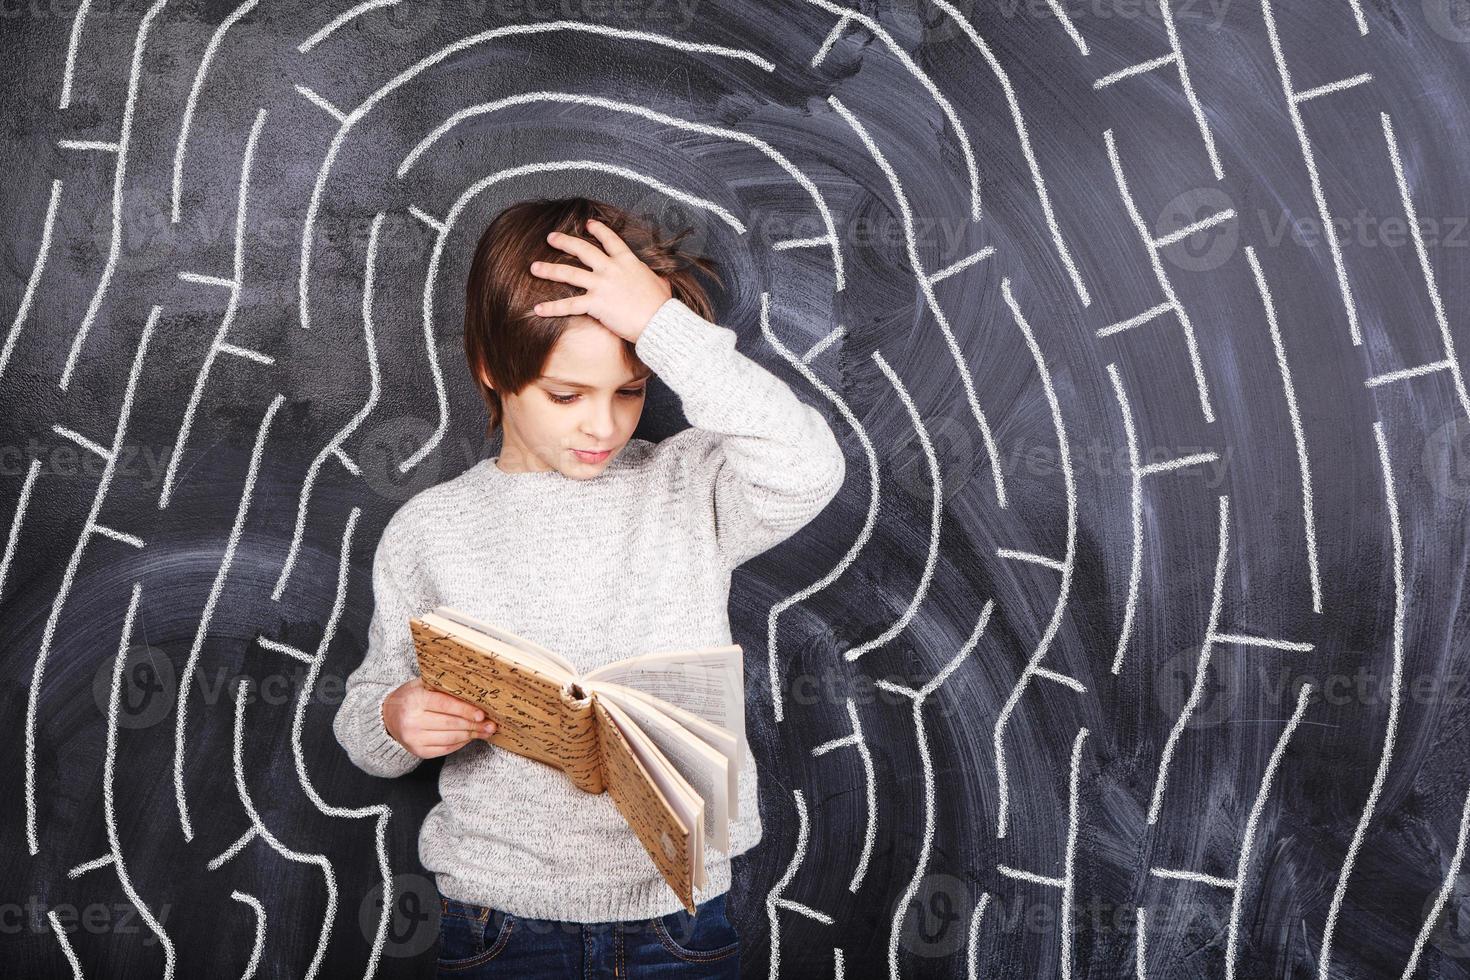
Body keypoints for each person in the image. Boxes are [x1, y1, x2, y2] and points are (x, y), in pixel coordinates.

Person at [332, 197, 846, 977]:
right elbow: (368, 720)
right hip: (499, 917)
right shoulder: (430, 529)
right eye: (566, 395)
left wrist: (661, 325)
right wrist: (396, 719)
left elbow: (808, 464)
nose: (603, 427)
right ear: (491, 372)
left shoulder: (689, 486)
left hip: (678, 917)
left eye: (631, 390)